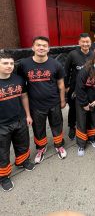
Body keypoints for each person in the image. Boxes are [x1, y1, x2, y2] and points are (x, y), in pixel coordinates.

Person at [18, 36, 67, 164]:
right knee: (38, 129)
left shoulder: (55, 64)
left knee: (57, 125)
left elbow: (61, 84)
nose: (41, 47)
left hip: (54, 103)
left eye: (44, 45)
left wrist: (62, 101)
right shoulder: (24, 64)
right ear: (33, 47)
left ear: (48, 48)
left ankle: (59, 145)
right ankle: (41, 148)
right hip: (36, 105)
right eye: (38, 45)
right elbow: (21, 87)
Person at [0, 53, 35, 192]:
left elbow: (24, 97)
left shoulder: (19, 79)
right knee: (2, 152)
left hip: (19, 119)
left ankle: (22, 161)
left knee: (22, 143)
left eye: (11, 63)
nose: (9, 66)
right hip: (1, 124)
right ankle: (4, 176)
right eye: (5, 63)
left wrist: (28, 115)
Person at [65, 33, 93, 140]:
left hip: (89, 87)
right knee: (73, 108)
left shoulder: (93, 55)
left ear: (90, 43)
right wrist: (67, 86)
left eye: (87, 42)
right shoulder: (73, 54)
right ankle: (72, 126)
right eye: (83, 41)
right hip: (74, 88)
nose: (85, 44)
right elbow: (66, 71)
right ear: (79, 42)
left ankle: (86, 125)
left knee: (87, 107)